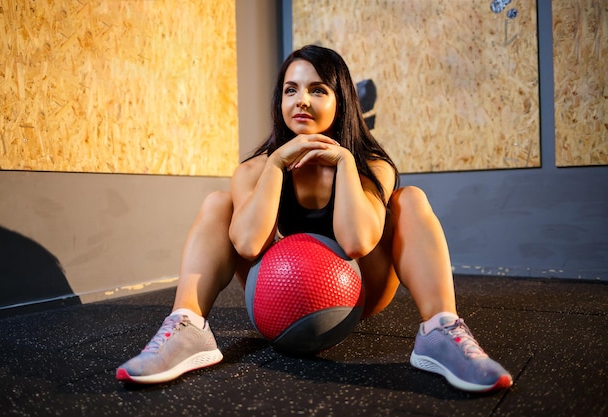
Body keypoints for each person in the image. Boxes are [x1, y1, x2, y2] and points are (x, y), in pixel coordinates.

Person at [116, 45, 513, 392]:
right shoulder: (255, 169)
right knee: (218, 203)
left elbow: (357, 242)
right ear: (280, 102)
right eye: (291, 90)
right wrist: (276, 164)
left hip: (359, 296)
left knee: (410, 199)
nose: (301, 100)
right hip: (277, 302)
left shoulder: (371, 165)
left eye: (317, 89)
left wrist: (342, 161)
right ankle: (187, 327)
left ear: (341, 101)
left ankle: (440, 331)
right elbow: (249, 244)